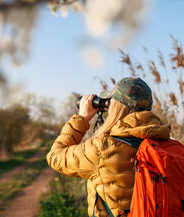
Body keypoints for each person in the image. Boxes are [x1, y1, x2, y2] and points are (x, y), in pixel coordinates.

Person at [46, 77, 171, 217]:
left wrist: (82, 118)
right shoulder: (165, 143)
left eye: (110, 102)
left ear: (115, 107)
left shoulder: (103, 148)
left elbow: (54, 157)